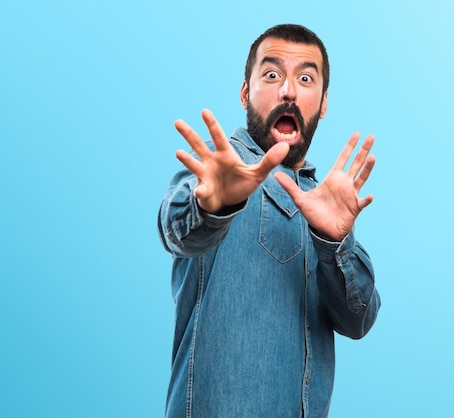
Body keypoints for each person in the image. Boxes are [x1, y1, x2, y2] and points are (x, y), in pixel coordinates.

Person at [158, 23, 380, 417]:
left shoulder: (325, 202)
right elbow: (177, 229)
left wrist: (335, 244)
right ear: (246, 91)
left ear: (323, 102)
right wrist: (214, 206)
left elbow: (358, 321)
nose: (289, 90)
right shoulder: (219, 169)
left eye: (306, 78)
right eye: (272, 74)